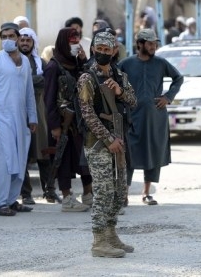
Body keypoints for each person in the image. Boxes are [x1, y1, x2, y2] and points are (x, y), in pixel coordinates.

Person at [77, 31, 137, 258]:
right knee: (103, 192)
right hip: (99, 144)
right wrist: (108, 139)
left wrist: (119, 91)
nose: (102, 53)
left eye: (107, 49)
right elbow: (88, 115)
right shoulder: (87, 78)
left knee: (119, 191)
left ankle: (111, 235)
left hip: (119, 140)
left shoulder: (119, 75)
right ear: (93, 49)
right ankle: (99, 241)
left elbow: (133, 100)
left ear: (114, 51)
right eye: (98, 49)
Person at [118, 29, 183, 205]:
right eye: (149, 43)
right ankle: (124, 194)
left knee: (152, 152)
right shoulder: (126, 64)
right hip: (132, 116)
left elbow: (178, 78)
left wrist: (167, 97)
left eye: (155, 43)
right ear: (139, 44)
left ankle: (146, 193)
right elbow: (114, 82)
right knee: (129, 154)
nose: (153, 46)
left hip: (155, 117)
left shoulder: (161, 63)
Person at [0, 22, 37, 216]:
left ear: (18, 37)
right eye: (3, 36)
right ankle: (0, 203)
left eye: (11, 36)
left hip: (20, 120)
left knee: (20, 160)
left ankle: (12, 200)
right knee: (4, 160)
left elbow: (30, 92)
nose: (7, 40)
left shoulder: (24, 61)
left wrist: (33, 117)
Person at [44, 27, 92, 212]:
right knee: (63, 159)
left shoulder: (77, 64)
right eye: (72, 42)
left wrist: (83, 61)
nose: (75, 45)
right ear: (64, 43)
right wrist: (55, 126)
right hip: (63, 124)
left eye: (77, 42)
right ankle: (67, 198)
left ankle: (88, 194)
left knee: (84, 158)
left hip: (80, 122)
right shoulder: (53, 67)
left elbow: (88, 80)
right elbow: (48, 100)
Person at [18, 27, 53, 205]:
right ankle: (26, 194)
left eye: (28, 40)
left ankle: (49, 191)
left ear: (33, 43)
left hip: (39, 110)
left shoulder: (41, 63)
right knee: (22, 154)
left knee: (43, 152)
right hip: (17, 110)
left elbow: (48, 81)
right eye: (22, 40)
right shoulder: (13, 61)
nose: (24, 43)